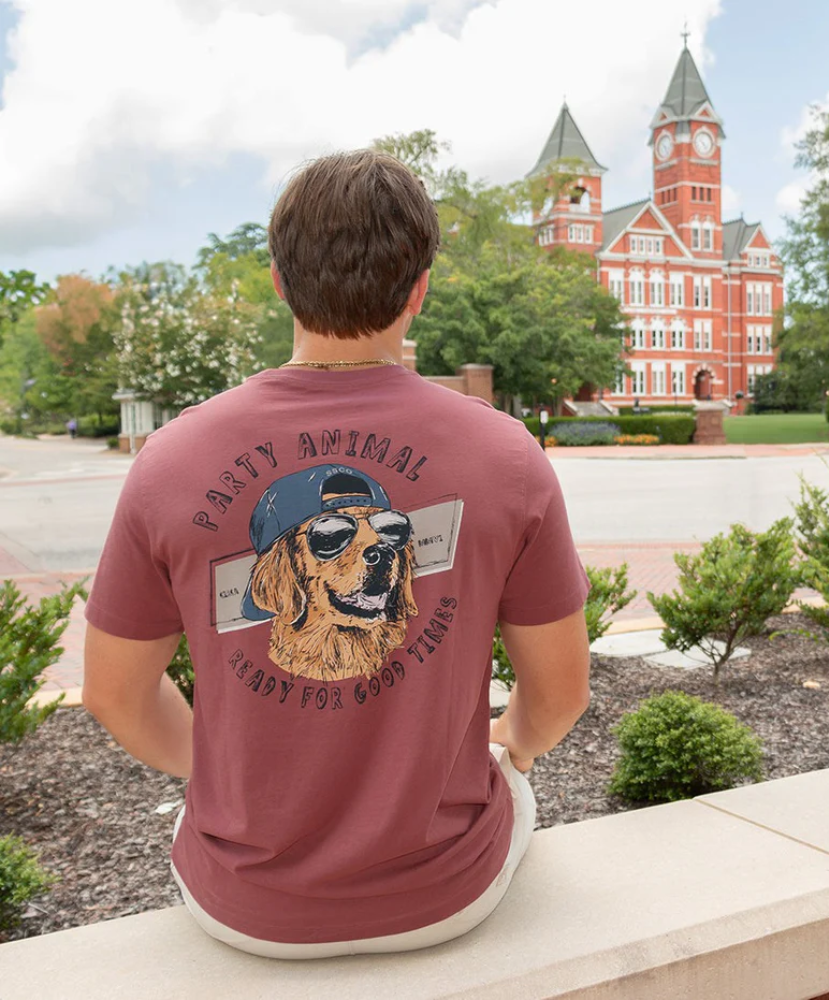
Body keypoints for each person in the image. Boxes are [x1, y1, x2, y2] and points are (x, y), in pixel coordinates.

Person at [82, 150, 591, 959]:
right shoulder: (506, 455)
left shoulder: (170, 462)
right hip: (447, 892)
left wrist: (216, 774)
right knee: (513, 790)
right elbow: (559, 696)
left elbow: (113, 697)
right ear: (418, 288)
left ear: (280, 282)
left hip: (243, 906)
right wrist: (510, 745)